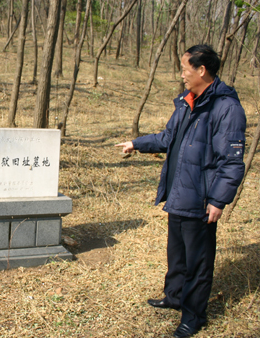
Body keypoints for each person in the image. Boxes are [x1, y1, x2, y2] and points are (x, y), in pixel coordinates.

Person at [116, 45, 246, 338]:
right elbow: (168, 137)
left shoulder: (226, 109)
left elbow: (232, 161)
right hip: (178, 193)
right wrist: (136, 144)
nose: (182, 74)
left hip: (200, 198)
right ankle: (173, 296)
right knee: (177, 255)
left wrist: (217, 200)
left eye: (185, 68)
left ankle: (194, 316)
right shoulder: (187, 102)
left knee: (198, 261)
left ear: (202, 70)